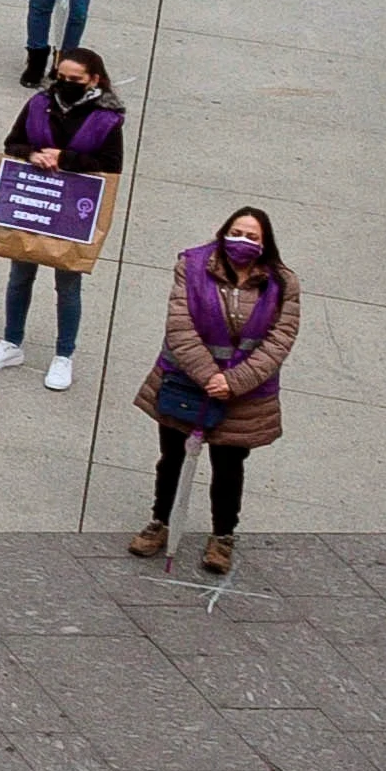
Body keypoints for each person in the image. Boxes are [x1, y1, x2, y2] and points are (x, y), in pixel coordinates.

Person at [131, 206, 296, 573]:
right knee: (171, 458)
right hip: (185, 383)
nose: (243, 241)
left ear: (265, 243)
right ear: (223, 233)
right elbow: (179, 326)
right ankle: (160, 521)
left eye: (252, 237)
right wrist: (209, 376)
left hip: (244, 396)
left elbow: (280, 340)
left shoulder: (283, 283)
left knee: (229, 467)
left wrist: (233, 382)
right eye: (236, 232)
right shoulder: (192, 266)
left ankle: (223, 537)